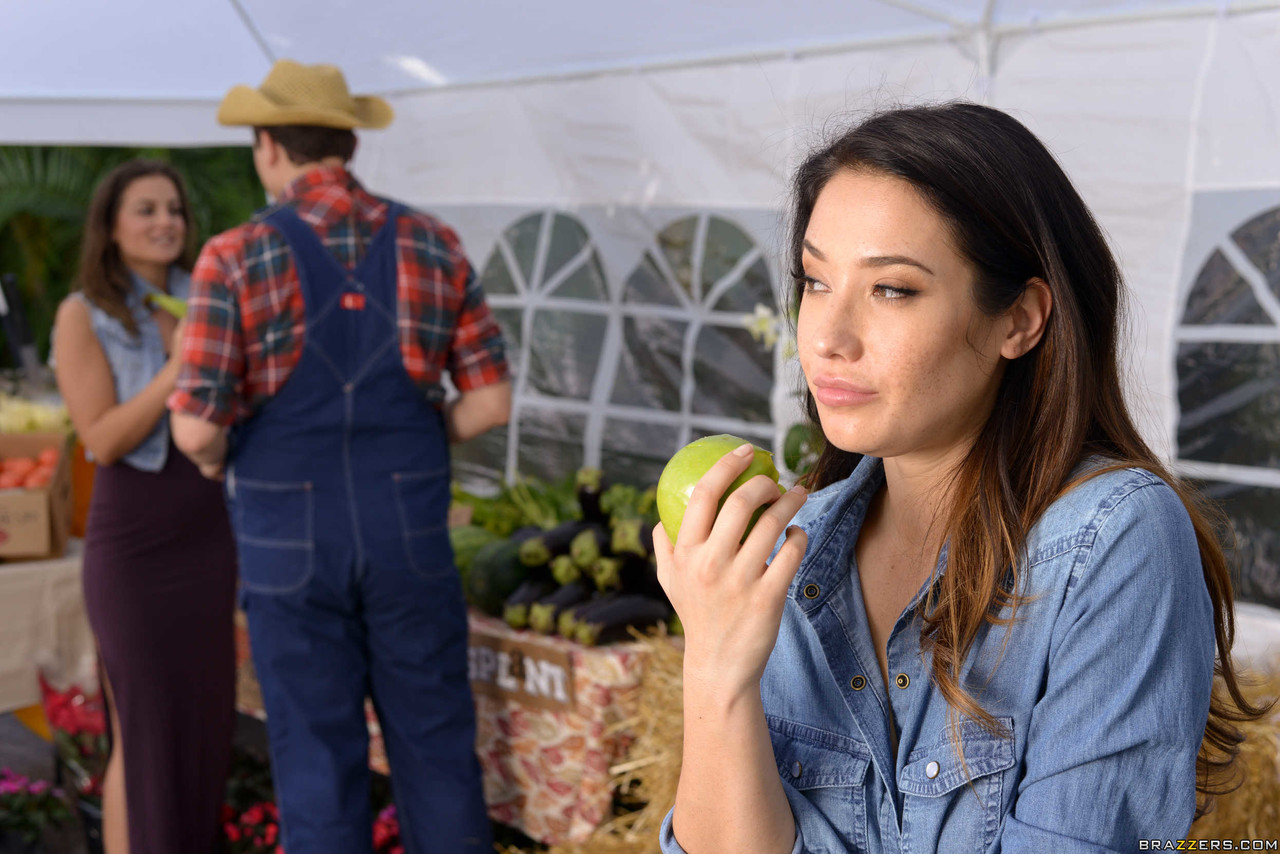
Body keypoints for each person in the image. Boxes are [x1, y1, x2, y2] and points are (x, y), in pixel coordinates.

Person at [654, 102, 1271, 853]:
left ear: (1020, 319)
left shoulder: (1111, 539)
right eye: (815, 281)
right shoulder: (792, 549)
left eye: (893, 289)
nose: (827, 338)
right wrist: (716, 669)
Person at [167, 59, 511, 853]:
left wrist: (221, 456)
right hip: (408, 537)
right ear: (350, 143)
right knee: (436, 751)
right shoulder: (433, 240)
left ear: (266, 147)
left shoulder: (234, 255)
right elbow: (489, 403)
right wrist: (416, 435)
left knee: (317, 759)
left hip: (288, 537)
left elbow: (193, 430)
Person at [52, 159, 238, 854]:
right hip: (134, 539)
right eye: (146, 209)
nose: (166, 222)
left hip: (209, 529)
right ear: (111, 225)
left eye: (174, 210)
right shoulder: (84, 314)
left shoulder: (209, 297)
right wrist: (176, 368)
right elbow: (101, 439)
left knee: (203, 722)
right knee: (145, 728)